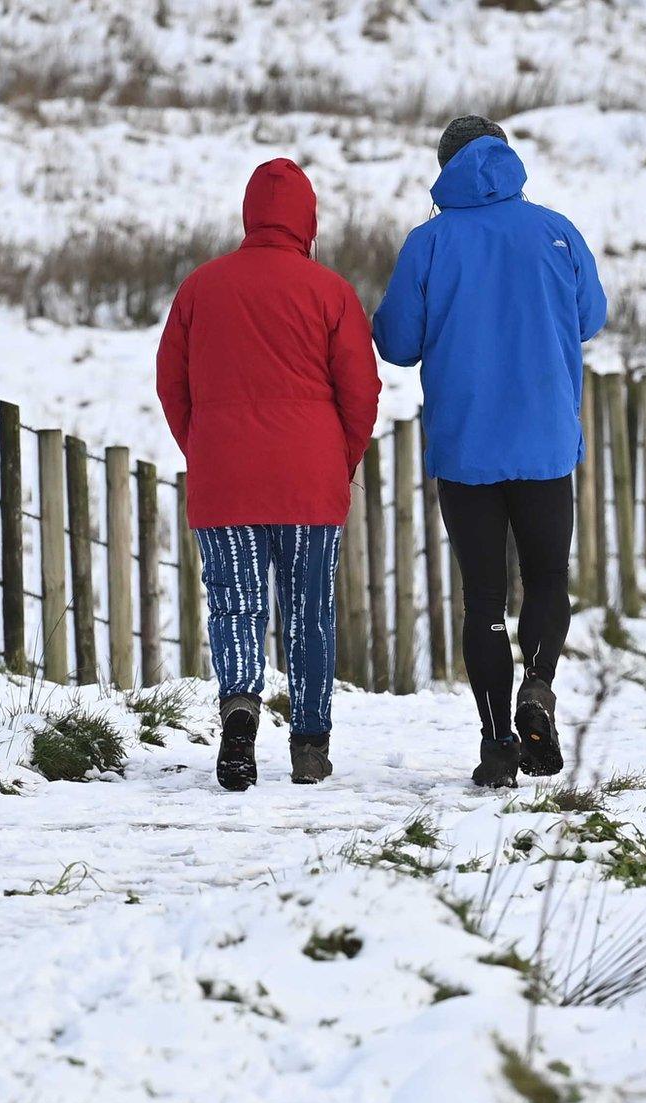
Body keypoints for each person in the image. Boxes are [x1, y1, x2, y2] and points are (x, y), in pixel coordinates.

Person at [372, 116, 607, 788]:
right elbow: (591, 317)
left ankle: (497, 741)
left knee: (483, 601)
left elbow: (396, 342)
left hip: (467, 445)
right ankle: (538, 685)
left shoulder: (430, 242)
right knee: (548, 581)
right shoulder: (556, 231)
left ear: (445, 167)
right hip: (544, 441)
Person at [157, 158, 381, 792]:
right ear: (307, 219)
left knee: (236, 606)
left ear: (250, 214)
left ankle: (238, 719)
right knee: (309, 611)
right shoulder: (330, 290)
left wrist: (202, 449)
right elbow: (360, 390)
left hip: (225, 478)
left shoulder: (200, 287)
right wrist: (340, 460)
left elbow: (171, 381)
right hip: (310, 480)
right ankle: (310, 745)